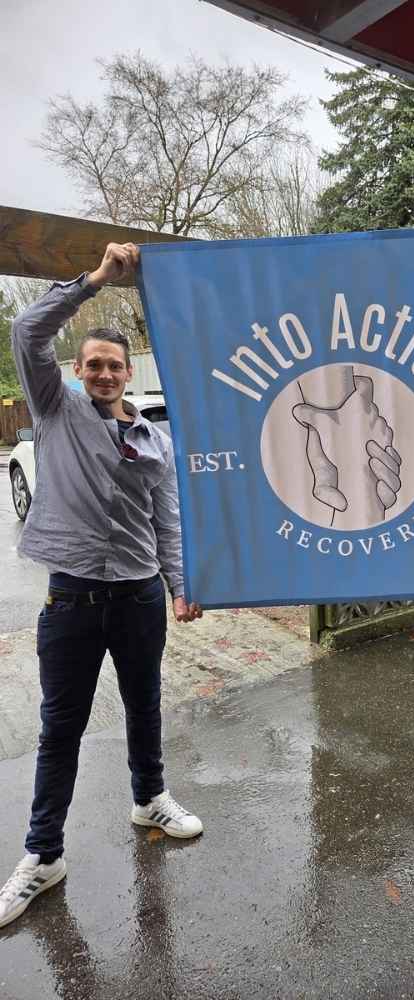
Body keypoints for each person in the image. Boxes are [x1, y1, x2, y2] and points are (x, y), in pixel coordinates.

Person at [0, 243, 204, 929]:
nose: (107, 373)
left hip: (141, 598)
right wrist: (93, 281)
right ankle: (43, 855)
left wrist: (179, 585)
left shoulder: (154, 440)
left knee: (145, 705)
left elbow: (167, 521)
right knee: (62, 727)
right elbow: (25, 331)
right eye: (95, 364)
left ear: (127, 374)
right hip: (74, 600)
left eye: (116, 365)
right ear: (78, 372)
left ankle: (150, 798)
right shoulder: (56, 409)